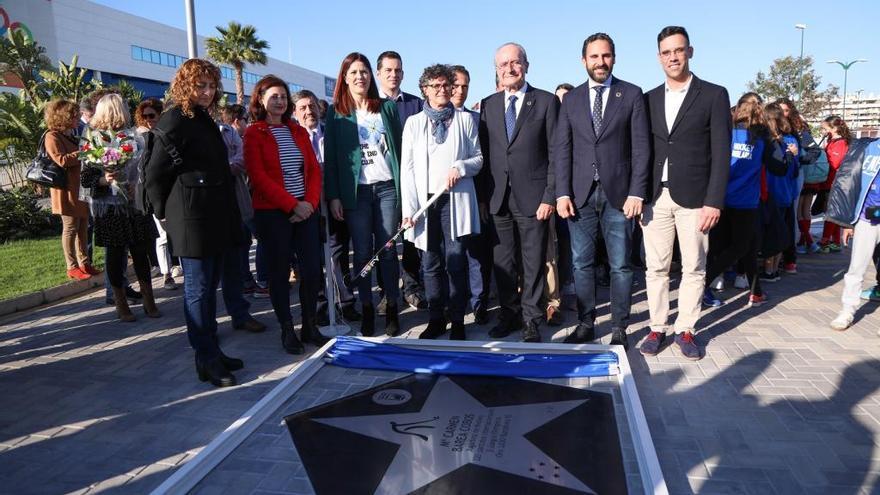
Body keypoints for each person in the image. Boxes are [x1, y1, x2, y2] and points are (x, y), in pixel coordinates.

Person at [145, 59, 245, 388]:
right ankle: (205, 357)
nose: (207, 91)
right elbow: (155, 174)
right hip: (190, 219)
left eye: (211, 85)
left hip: (211, 215)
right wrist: (163, 213)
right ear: (185, 86)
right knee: (197, 291)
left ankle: (212, 349)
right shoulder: (175, 119)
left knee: (208, 288)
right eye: (200, 85)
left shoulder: (202, 118)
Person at [554, 33, 651, 349]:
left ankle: (620, 327)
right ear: (584, 60)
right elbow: (563, 148)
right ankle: (585, 324)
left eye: (606, 56)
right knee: (581, 264)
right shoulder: (572, 100)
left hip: (619, 197)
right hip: (579, 196)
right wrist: (562, 193)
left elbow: (641, 148)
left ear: (614, 57)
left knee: (621, 265)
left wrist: (637, 192)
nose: (600, 62)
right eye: (594, 57)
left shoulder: (632, 94)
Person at [640, 26, 731, 361]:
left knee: (694, 266)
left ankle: (686, 329)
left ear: (690, 51)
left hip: (696, 198)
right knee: (656, 267)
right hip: (655, 197)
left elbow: (721, 152)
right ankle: (657, 326)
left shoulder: (713, 95)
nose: (673, 57)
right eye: (666, 52)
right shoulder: (647, 98)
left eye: (678, 50)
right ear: (659, 56)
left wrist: (714, 201)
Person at [478, 42, 559, 343]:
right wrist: (484, 198)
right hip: (498, 198)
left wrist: (549, 195)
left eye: (515, 63)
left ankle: (532, 319)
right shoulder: (488, 104)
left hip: (534, 198)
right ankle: (509, 314)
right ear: (496, 71)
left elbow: (556, 154)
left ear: (526, 65)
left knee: (533, 262)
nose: (509, 69)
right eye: (503, 65)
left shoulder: (547, 102)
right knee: (503, 262)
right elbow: (484, 155)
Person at [243, 76, 325, 353]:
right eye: (273, 96)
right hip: (273, 213)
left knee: (312, 271)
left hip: (306, 210)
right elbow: (259, 177)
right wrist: (292, 205)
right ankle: (287, 329)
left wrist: (309, 204)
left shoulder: (298, 131)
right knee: (279, 273)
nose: (279, 101)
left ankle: (310, 326)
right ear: (261, 99)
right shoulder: (254, 132)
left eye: (282, 96)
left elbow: (313, 170)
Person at [324, 52, 404, 337]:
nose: (360, 77)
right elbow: (332, 159)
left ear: (371, 76)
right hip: (356, 193)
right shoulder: (336, 113)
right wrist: (334, 196)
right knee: (362, 253)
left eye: (365, 71)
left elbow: (401, 152)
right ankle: (367, 307)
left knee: (388, 251)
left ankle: (393, 306)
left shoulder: (387, 109)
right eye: (354, 72)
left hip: (387, 190)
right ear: (345, 78)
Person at [401, 64, 483, 340]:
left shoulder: (465, 120)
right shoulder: (413, 124)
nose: (442, 90)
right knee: (431, 263)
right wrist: (409, 210)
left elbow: (478, 159)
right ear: (424, 90)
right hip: (425, 203)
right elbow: (407, 170)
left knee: (456, 261)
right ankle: (436, 319)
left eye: (446, 85)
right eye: (435, 86)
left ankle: (458, 320)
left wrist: (460, 167)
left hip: (454, 201)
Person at [702, 95, 789, 308]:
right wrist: (783, 149)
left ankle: (756, 292)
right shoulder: (762, 139)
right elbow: (780, 168)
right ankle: (701, 284)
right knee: (740, 247)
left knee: (742, 247)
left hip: (719, 200)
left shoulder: (725, 134)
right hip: (745, 203)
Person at [80, 94, 160, 322]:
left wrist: (137, 184)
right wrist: (106, 179)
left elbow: (144, 168)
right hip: (110, 208)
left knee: (141, 252)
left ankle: (149, 301)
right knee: (115, 255)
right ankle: (120, 303)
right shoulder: (92, 140)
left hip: (134, 205)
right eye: (122, 107)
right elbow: (86, 179)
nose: (126, 109)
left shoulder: (133, 136)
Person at [291, 89, 361, 323]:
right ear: (295, 112)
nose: (309, 111)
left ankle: (346, 301)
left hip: (333, 202)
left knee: (338, 254)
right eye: (303, 107)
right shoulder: (292, 138)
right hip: (305, 205)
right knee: (312, 257)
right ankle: (320, 305)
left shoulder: (331, 134)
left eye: (312, 106)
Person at [375, 50, 427, 313]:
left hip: (412, 185)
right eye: (388, 70)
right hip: (382, 185)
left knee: (411, 241)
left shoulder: (416, 104)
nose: (393, 75)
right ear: (379, 73)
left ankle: (412, 288)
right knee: (385, 242)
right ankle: (387, 292)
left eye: (397, 70)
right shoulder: (370, 105)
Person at [450, 64, 491, 325]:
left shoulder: (477, 119)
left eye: (465, 86)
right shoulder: (430, 119)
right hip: (444, 199)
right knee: (452, 256)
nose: (460, 91)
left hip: (474, 196)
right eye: (456, 85)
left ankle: (479, 304)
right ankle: (455, 302)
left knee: (476, 254)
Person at [827, 138, 880, 331]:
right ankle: (847, 311)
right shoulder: (868, 147)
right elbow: (851, 183)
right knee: (856, 268)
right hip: (867, 217)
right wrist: (848, 221)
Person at [44, 99, 98, 281]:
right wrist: (83, 152)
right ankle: (72, 266)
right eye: (74, 115)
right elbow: (61, 160)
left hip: (79, 188)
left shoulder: (70, 134)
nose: (77, 118)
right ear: (63, 117)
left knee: (83, 226)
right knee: (70, 228)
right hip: (66, 190)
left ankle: (85, 263)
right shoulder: (52, 136)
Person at [134, 98, 178, 291]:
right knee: (162, 236)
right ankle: (166, 273)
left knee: (176, 232)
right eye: (144, 116)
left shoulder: (168, 133)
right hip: (152, 192)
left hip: (173, 190)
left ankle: (179, 265)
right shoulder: (139, 137)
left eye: (152, 115)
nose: (148, 119)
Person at [778, 97, 821, 269]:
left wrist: (799, 159)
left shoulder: (797, 130)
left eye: (786, 110)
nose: (783, 113)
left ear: (791, 112)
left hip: (793, 177)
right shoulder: (771, 127)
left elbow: (815, 150)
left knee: (792, 212)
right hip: (776, 178)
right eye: (780, 110)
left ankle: (790, 255)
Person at [760, 102, 800, 282]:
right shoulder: (791, 140)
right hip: (786, 193)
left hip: (771, 192)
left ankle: (769, 270)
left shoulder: (768, 142)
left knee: (771, 234)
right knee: (780, 232)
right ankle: (774, 269)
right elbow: (795, 171)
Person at [819, 115, 852, 253]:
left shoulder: (840, 143)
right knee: (834, 212)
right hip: (830, 181)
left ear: (835, 128)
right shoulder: (832, 141)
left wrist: (822, 157)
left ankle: (825, 241)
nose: (824, 131)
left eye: (826, 128)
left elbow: (835, 163)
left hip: (836, 183)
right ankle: (836, 241)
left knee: (831, 213)